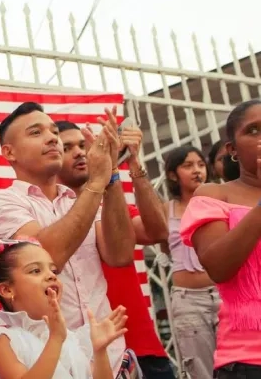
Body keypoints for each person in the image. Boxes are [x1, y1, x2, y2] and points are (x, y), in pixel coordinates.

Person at [0, 102, 135, 375]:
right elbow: (50, 256)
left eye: (53, 131)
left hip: (107, 352)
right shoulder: (0, 204)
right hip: (44, 357)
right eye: (36, 132)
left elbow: (120, 254)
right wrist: (95, 183)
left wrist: (111, 175)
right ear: (8, 152)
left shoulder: (80, 201)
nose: (52, 138)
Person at [55, 121, 173, 378]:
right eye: (67, 148)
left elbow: (159, 231)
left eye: (83, 146)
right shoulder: (49, 216)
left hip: (140, 343)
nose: (79, 153)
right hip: (89, 353)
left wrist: (132, 163)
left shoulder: (112, 204)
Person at [181, 98, 261, 378]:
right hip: (249, 361)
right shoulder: (213, 196)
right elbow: (219, 267)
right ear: (232, 150)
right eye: (253, 130)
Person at [0, 238, 128, 379]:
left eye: (53, 271)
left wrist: (100, 352)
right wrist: (56, 339)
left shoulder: (72, 339)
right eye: (35, 271)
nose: (51, 276)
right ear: (7, 290)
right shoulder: (4, 341)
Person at [160, 145, 220, 378]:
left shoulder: (218, 201)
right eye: (188, 165)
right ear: (173, 175)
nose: (197, 170)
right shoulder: (167, 209)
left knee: (240, 364)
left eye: (200, 164)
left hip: (224, 293)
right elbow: (164, 244)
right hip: (189, 301)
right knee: (201, 370)